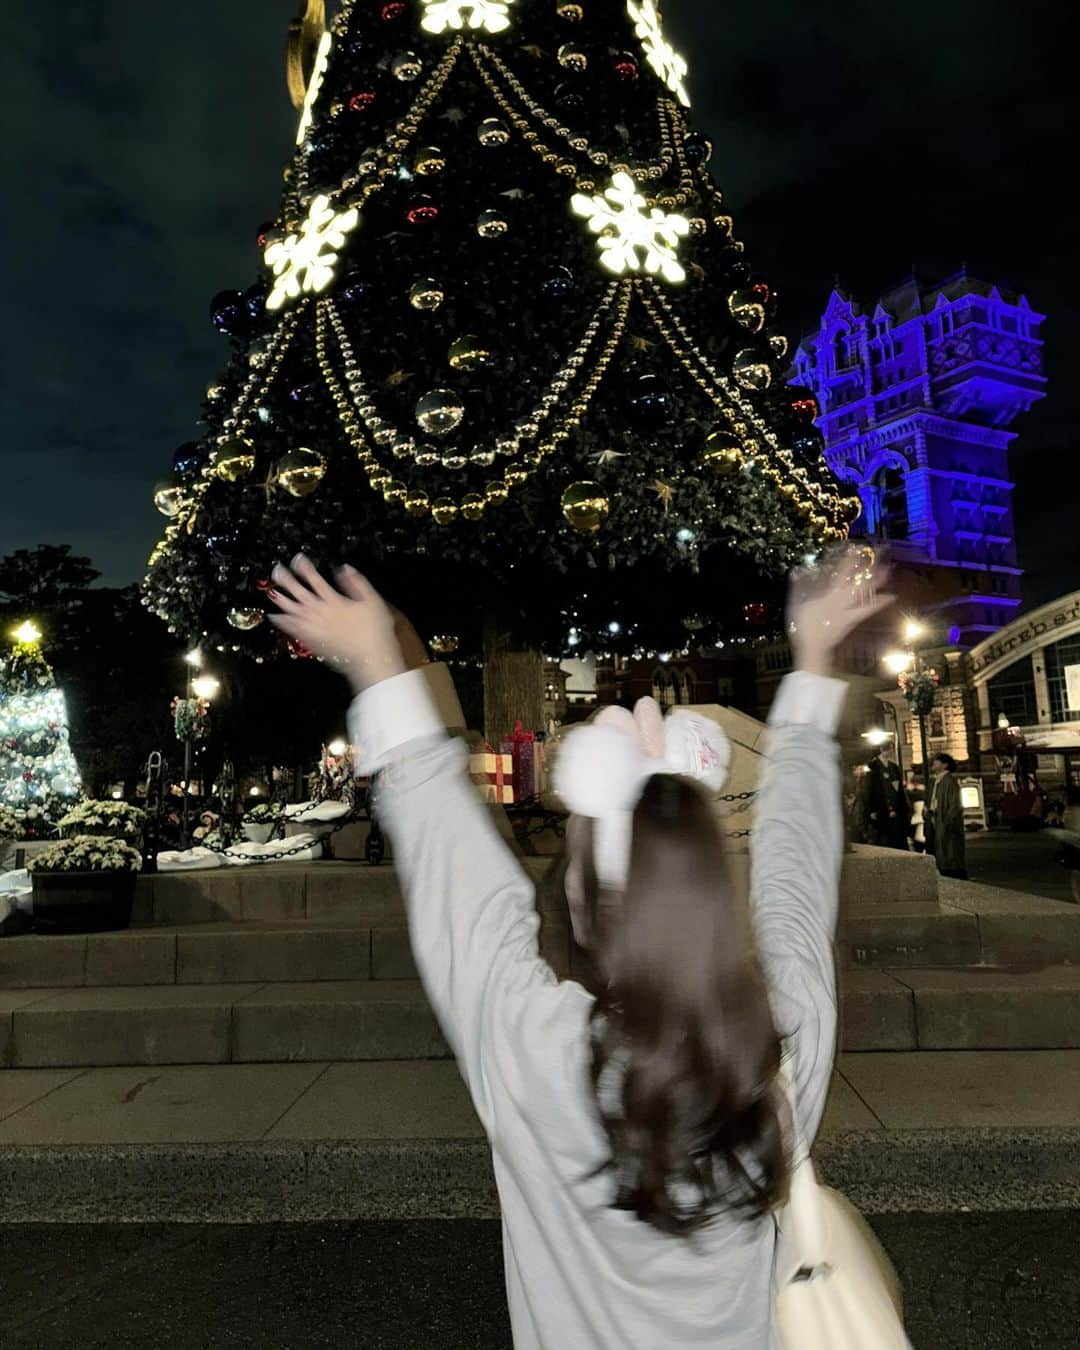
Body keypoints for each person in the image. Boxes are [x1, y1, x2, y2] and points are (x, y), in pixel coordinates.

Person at [268, 549, 894, 1350]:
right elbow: (797, 880)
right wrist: (812, 662)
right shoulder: (781, 1044)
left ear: (579, 905)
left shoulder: (537, 1048)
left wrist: (379, 667)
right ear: (712, 888)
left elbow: (458, 880)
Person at [859, 744, 911, 850]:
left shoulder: (894, 767)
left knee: (896, 836)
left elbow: (899, 789)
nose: (891, 751)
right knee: (883, 837)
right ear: (882, 749)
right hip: (880, 808)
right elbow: (868, 790)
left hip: (895, 807)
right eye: (890, 749)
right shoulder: (872, 766)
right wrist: (871, 809)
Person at [925, 752, 967, 880]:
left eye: (937, 761)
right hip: (936, 818)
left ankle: (951, 872)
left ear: (945, 765)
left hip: (944, 820)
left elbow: (955, 805)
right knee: (940, 846)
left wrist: (948, 821)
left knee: (948, 849)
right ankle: (944, 869)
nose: (933, 763)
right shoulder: (937, 780)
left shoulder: (949, 781)